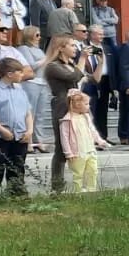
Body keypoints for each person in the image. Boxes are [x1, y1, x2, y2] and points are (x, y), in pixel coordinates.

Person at [0, 57, 32, 196]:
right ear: (10, 74)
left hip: (20, 136)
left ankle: (16, 193)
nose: (22, 75)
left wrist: (30, 130)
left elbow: (28, 113)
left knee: (17, 166)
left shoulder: (20, 90)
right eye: (20, 72)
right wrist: (1, 130)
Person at [43, 34, 82, 192]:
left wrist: (100, 62)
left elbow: (91, 78)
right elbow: (72, 76)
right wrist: (83, 59)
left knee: (77, 145)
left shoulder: (71, 64)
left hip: (75, 105)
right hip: (62, 105)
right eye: (72, 45)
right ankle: (57, 188)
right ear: (61, 48)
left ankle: (80, 183)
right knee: (62, 147)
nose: (75, 48)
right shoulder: (52, 66)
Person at [58, 90, 112, 192]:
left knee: (93, 170)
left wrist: (100, 141)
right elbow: (64, 138)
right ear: (77, 104)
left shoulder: (85, 117)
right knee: (78, 173)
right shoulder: (67, 120)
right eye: (86, 104)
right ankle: (78, 191)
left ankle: (91, 190)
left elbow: (92, 130)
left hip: (90, 149)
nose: (89, 106)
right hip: (77, 152)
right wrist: (68, 152)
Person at [15, 25, 52, 152]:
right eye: (37, 35)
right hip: (31, 83)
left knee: (41, 114)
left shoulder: (39, 50)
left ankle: (39, 140)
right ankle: (29, 140)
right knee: (31, 113)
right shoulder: (24, 49)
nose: (39, 37)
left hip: (42, 83)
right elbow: (30, 66)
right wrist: (46, 59)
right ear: (29, 35)